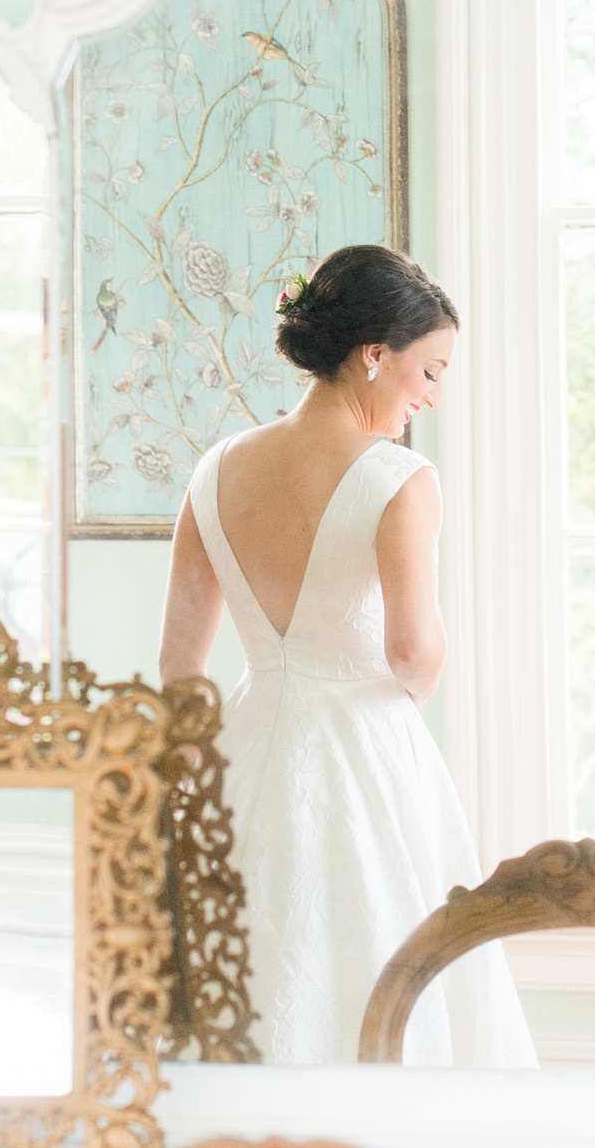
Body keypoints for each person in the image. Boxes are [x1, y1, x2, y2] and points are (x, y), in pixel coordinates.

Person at [160, 244, 537, 1068]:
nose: (431, 398)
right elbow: (413, 652)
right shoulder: (399, 477)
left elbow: (180, 671)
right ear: (374, 356)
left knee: (246, 968)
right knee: (375, 971)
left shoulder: (214, 469)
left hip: (245, 743)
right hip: (363, 752)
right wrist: (425, 663)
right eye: (430, 372)